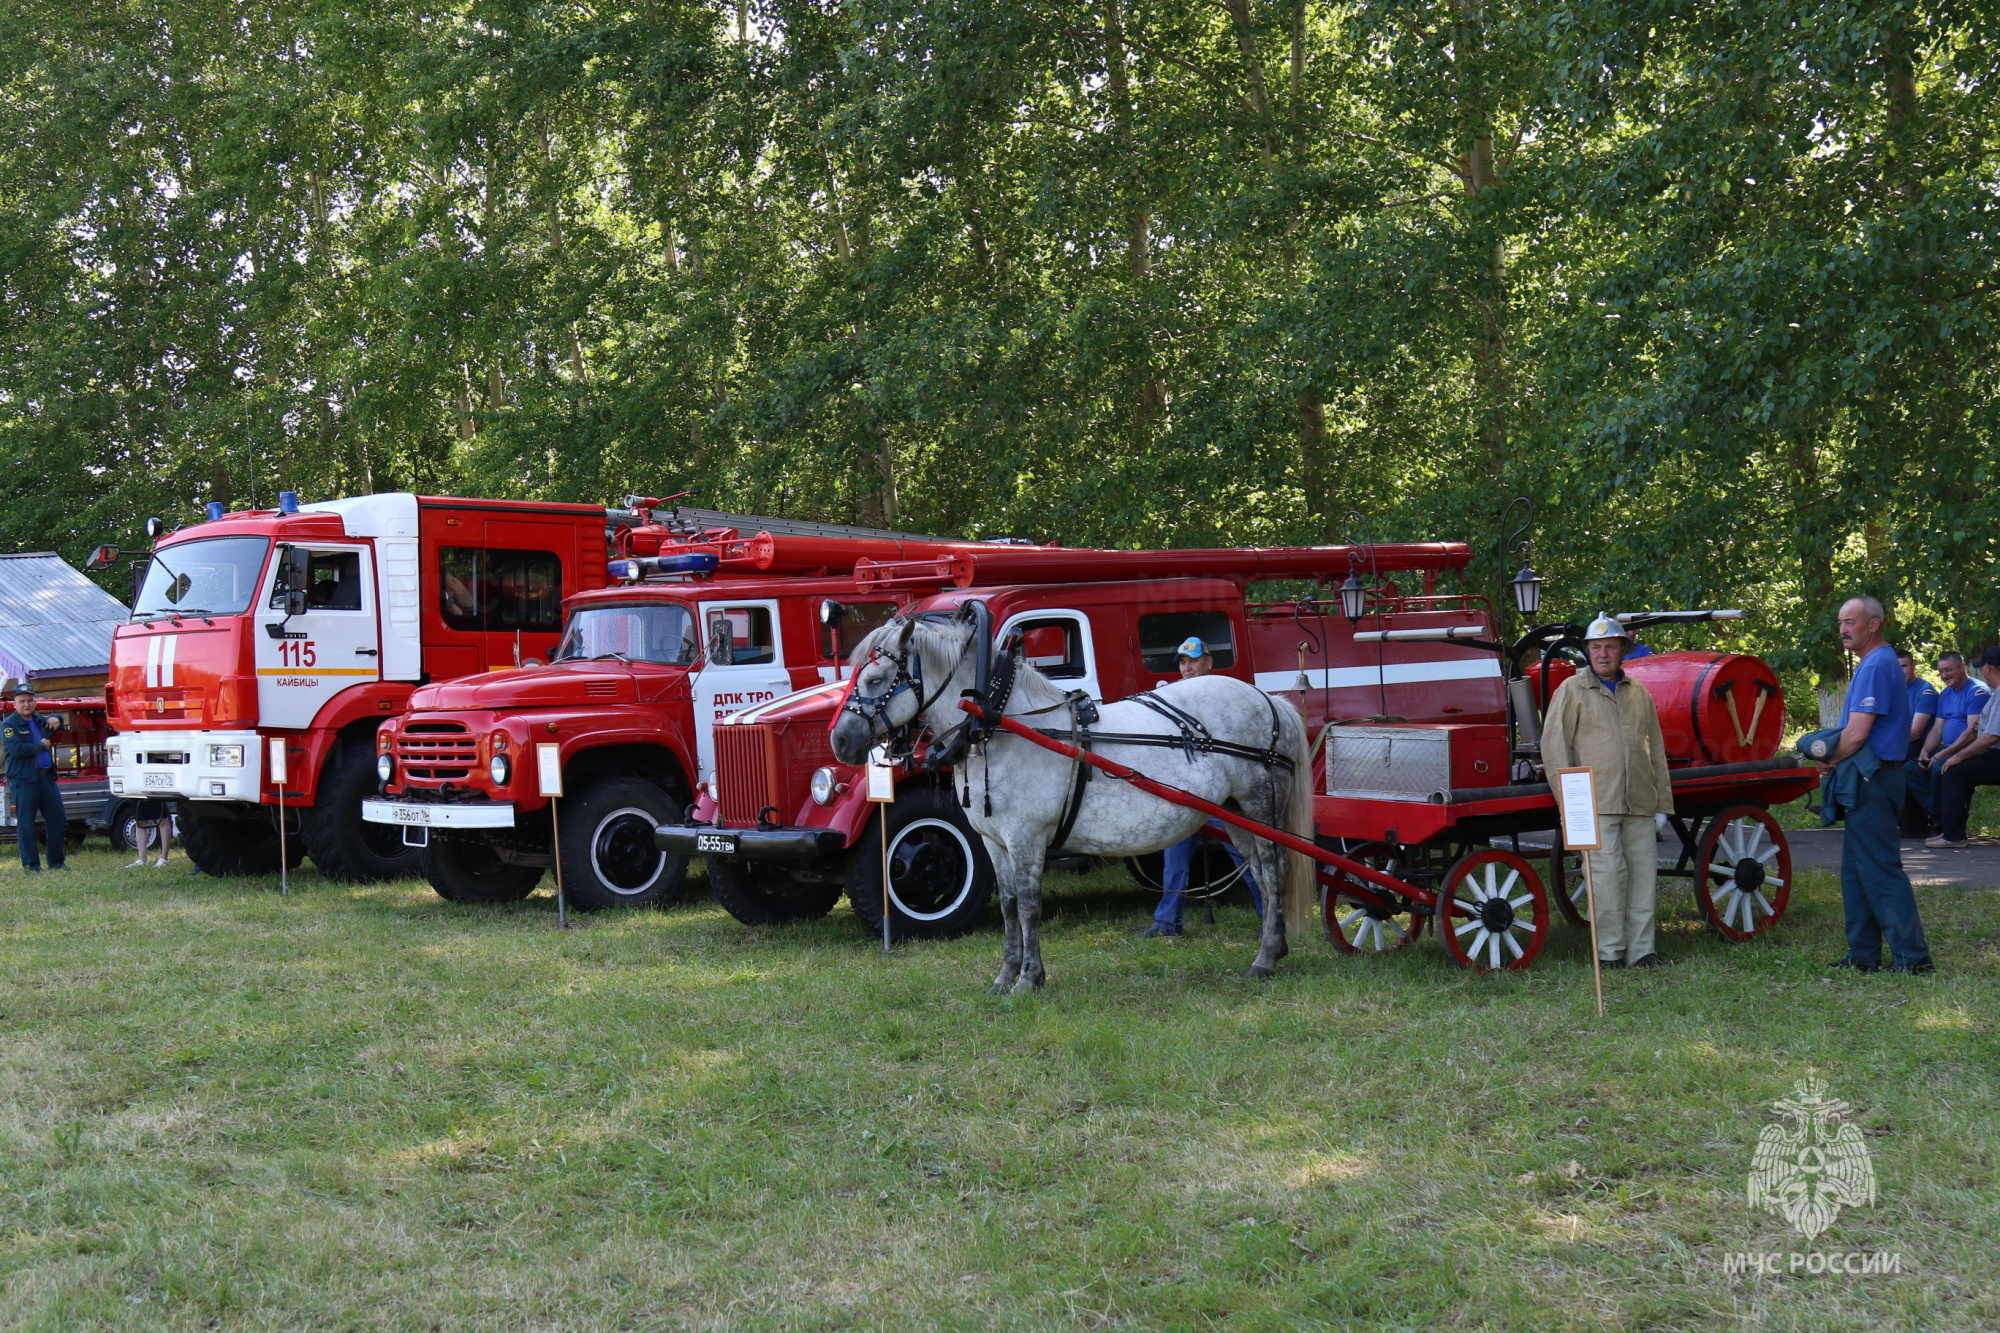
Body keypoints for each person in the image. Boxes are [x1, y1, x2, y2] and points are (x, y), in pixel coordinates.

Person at [1540, 614, 1676, 968]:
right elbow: (1555, 748)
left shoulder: (1639, 692)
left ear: (1622, 651)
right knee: (1606, 879)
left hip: (1640, 801)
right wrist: (1569, 802)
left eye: (1610, 647)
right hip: (1596, 801)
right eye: (1596, 647)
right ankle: (1611, 953)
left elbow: (1655, 749)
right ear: (1588, 651)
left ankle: (1643, 951)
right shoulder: (1572, 690)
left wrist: (1661, 800)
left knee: (1643, 877)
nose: (1603, 654)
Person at [1812, 596, 1931, 974]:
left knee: (1879, 868)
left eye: (1850, 621)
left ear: (1873, 624)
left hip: (1874, 778)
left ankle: (1913, 959)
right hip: (1870, 776)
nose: (1843, 629)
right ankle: (1863, 955)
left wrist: (1830, 758)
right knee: (1854, 869)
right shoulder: (1873, 663)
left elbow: (1858, 733)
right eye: (1840, 622)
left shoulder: (1878, 664)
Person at [1140, 636, 1264, 938]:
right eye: (1182, 662)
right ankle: (1168, 923)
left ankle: (1270, 917)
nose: (1187, 667)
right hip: (1184, 795)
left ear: (1209, 662)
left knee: (1245, 858)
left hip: (1220, 798)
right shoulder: (1171, 697)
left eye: (1192, 660)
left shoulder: (1225, 697)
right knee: (1174, 861)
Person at [1927, 647, 2000, 850]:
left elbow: (1989, 738)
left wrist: (1957, 757)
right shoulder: (1996, 694)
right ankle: (1948, 830)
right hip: (1993, 752)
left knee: (1955, 771)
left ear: (1989, 668)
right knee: (1960, 770)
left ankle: (1952, 836)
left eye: (1983, 667)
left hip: (1996, 753)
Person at [1916, 651, 1988, 833]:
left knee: (1938, 767)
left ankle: (1939, 820)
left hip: (1970, 750)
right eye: (1940, 671)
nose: (1944, 675)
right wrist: (1925, 751)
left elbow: (1972, 733)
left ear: (1962, 666)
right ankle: (1933, 810)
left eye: (1948, 670)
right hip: (1946, 748)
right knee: (1911, 769)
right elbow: (1937, 729)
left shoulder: (1977, 691)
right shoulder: (1945, 694)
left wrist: (1942, 754)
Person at [3, 687, 70, 873]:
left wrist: (57, 717)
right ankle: (32, 865)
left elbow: (57, 721)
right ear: (15, 704)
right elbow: (17, 750)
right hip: (23, 780)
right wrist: (41, 745)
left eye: (29, 700)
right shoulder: (9, 725)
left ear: (35, 702)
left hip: (46, 778)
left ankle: (56, 862)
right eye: (22, 701)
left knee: (57, 819)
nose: (26, 704)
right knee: (26, 823)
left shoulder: (39, 720)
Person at [1896, 648, 1940, 836]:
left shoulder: (1925, 691)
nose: (1900, 671)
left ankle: (1932, 817)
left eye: (1904, 666)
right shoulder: (1892, 691)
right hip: (1899, 743)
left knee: (1881, 762)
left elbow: (1915, 732)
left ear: (1914, 665)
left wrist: (1883, 742)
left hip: (1919, 746)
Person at [123, 800, 175, 868]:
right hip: (137, 791)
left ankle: (164, 858)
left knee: (162, 820)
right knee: (140, 821)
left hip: (154, 791)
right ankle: (142, 860)